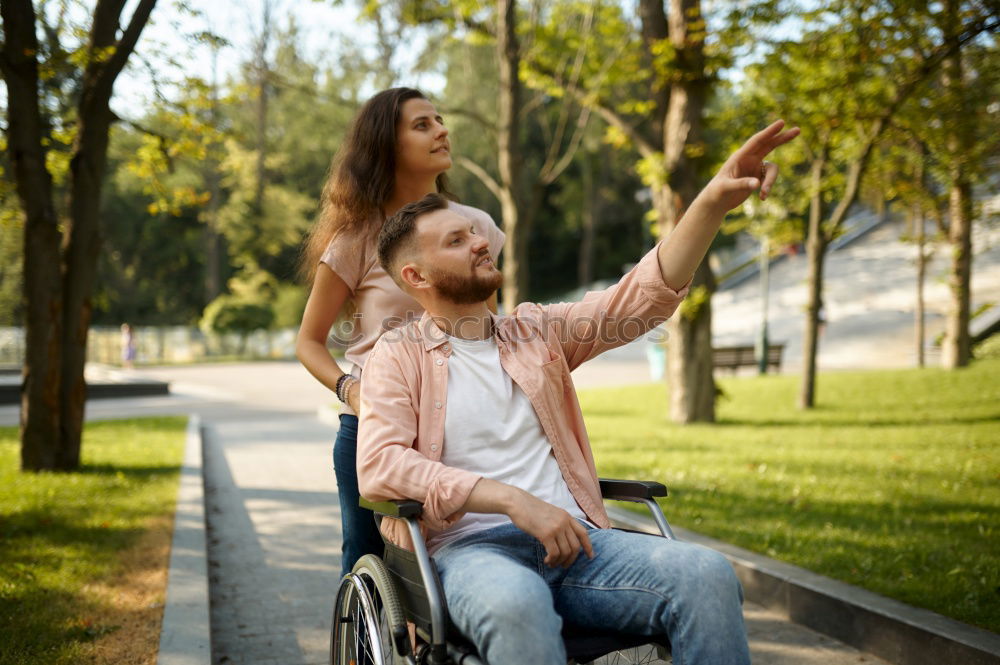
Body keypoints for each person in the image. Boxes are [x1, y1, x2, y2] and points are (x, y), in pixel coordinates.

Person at [356, 120, 799, 665]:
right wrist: (513, 501)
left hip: (580, 547)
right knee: (517, 603)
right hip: (469, 553)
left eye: (472, 231)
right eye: (456, 240)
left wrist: (711, 202)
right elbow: (381, 465)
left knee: (705, 574)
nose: (478, 241)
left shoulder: (536, 331)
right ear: (416, 277)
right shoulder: (395, 357)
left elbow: (639, 300)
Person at [296, 88, 506, 578]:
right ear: (385, 147)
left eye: (439, 119)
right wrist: (352, 391)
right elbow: (309, 341)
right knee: (369, 563)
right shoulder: (355, 239)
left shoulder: (476, 227)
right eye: (422, 124)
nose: (441, 130)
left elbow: (486, 329)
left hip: (462, 424)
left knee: (470, 556)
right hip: (374, 427)